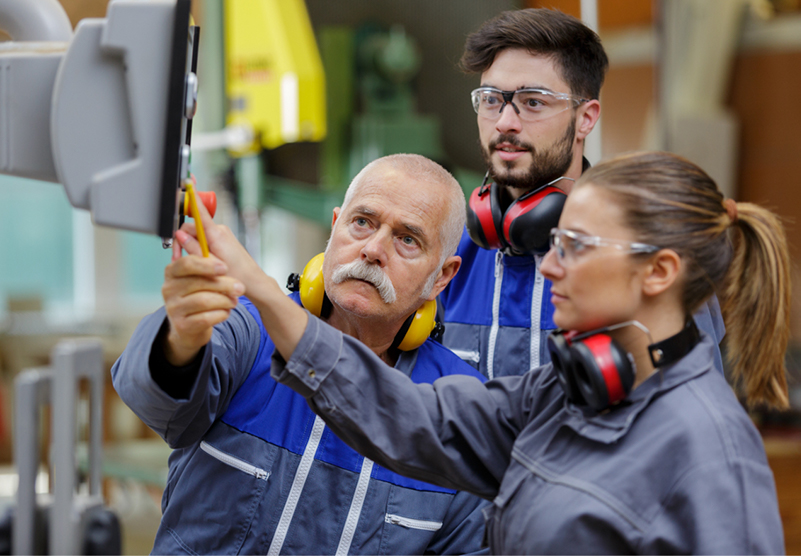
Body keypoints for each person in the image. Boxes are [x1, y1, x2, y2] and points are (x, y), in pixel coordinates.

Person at [203, 151, 787, 554]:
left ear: (658, 271)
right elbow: (411, 416)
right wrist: (257, 289)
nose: (551, 266)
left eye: (577, 247)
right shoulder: (562, 395)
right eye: (556, 243)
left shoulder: (712, 454)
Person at [111, 154, 490, 555]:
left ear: (442, 277)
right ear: (334, 227)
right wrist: (181, 339)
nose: (373, 250)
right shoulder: (247, 331)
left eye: (407, 239)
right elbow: (151, 399)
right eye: (362, 222)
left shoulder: (457, 409)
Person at [439, 8, 726, 378]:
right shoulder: (451, 258)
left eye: (533, 101)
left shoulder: (646, 262)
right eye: (492, 99)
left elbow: (686, 417)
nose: (505, 122)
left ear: (586, 118)